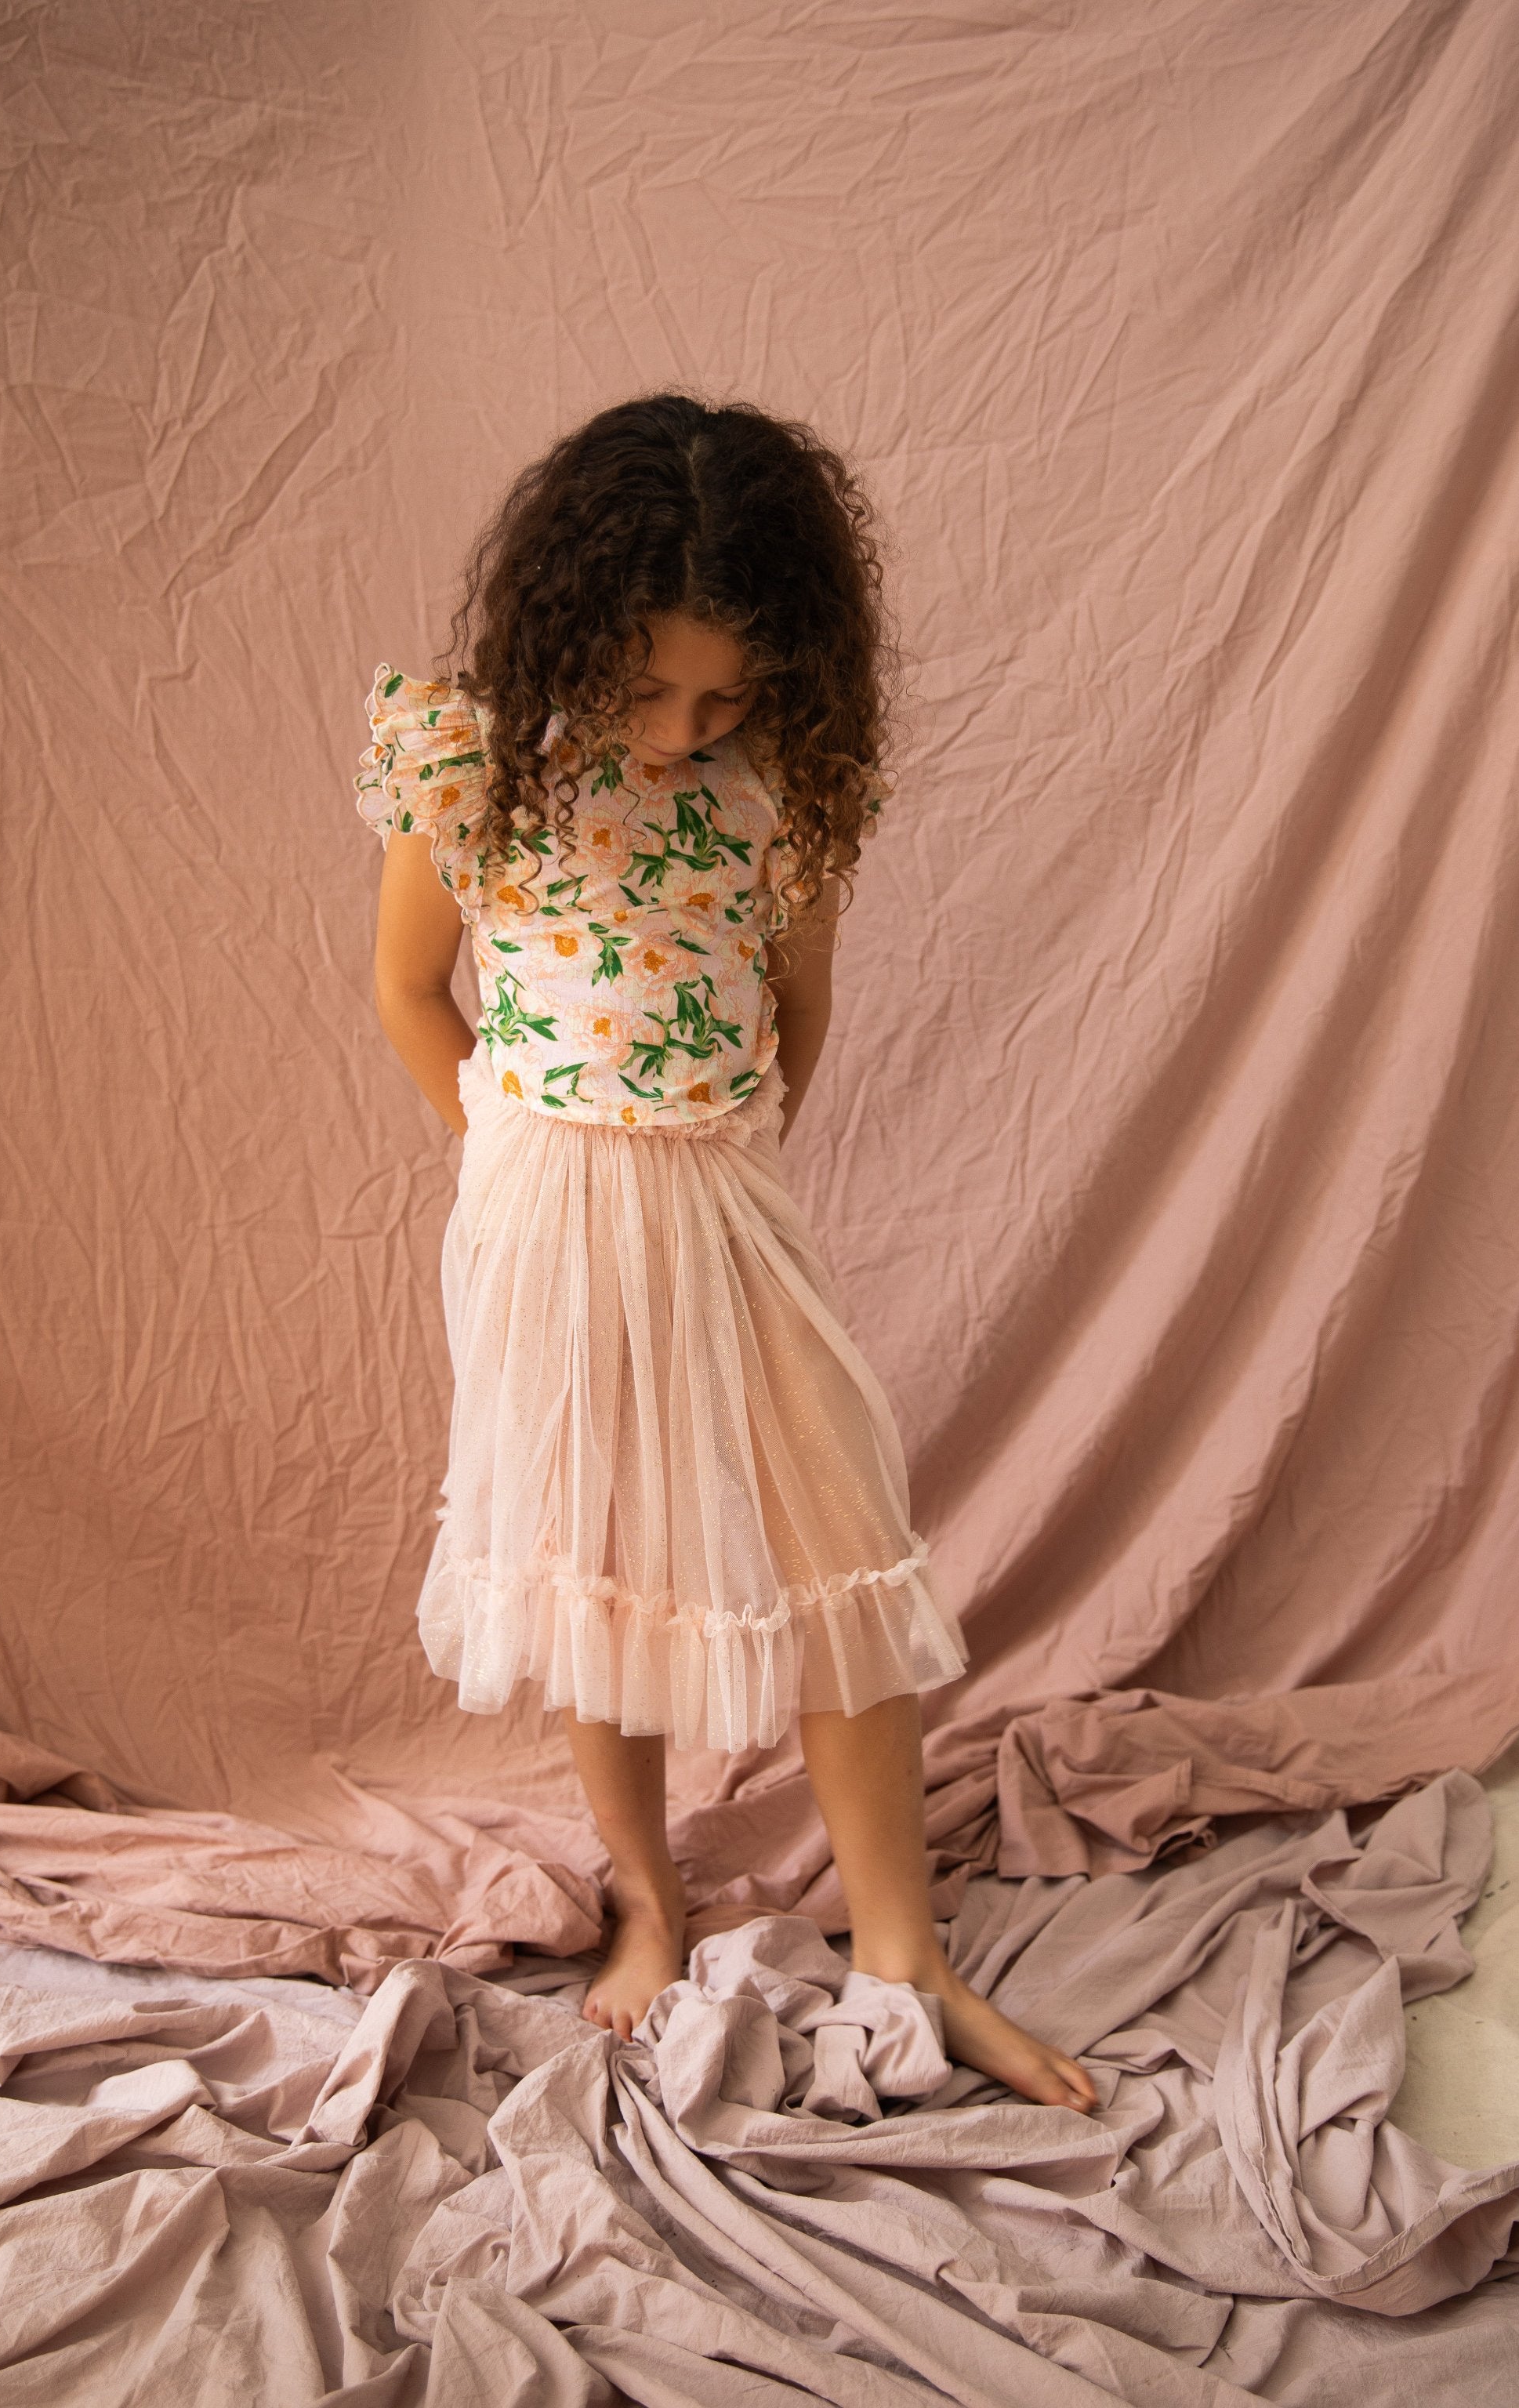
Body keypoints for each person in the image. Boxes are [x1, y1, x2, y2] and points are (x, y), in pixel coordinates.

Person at [357, 393, 1097, 2113]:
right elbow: (406, 987)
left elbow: (799, 1007)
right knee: (589, 1545)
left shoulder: (786, 788)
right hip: (539, 1195)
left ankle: (903, 1949)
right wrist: (506, 1163)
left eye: (725, 694)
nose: (689, 726)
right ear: (575, 628)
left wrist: (725, 1159)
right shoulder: (475, 756)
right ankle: (646, 1903)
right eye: (652, 687)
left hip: (721, 1189)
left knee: (841, 1529)